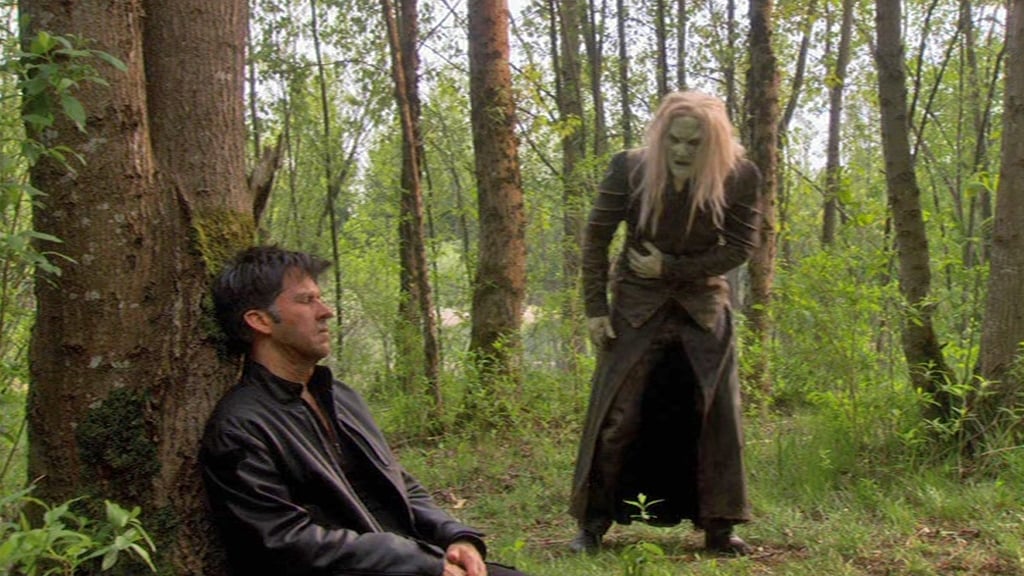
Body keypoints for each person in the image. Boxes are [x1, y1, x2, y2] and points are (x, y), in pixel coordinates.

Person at [201, 245, 530, 576]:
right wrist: (422, 563)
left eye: (320, 298)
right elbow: (283, 541)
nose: (326, 311)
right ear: (260, 321)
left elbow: (399, 483)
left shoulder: (341, 397)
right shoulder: (240, 427)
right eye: (306, 300)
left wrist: (456, 537)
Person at [568, 90, 762, 555]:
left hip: (703, 307)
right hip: (635, 306)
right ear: (662, 136)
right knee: (617, 415)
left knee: (714, 418)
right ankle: (592, 524)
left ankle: (719, 527)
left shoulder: (740, 175)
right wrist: (595, 308)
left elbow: (741, 246)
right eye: (675, 139)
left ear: (712, 143)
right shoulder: (630, 167)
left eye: (694, 143)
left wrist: (671, 268)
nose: (682, 150)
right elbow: (596, 237)